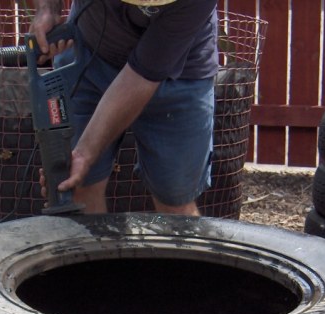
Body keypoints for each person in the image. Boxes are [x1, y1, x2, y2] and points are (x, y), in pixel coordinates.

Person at [30, 0, 218, 216]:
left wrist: (83, 154)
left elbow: (141, 76)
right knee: (79, 188)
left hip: (180, 71)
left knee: (175, 204)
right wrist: (48, 9)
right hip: (90, 52)